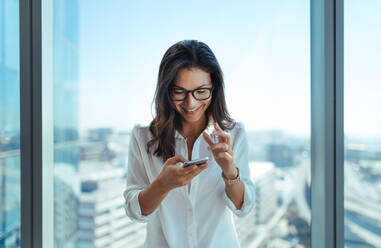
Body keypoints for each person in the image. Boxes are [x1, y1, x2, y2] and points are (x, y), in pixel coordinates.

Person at [123, 40, 255, 248]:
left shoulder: (234, 134)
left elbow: (243, 207)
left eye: (201, 91)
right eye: (179, 91)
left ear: (214, 88)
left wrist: (230, 172)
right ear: (166, 90)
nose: (190, 103)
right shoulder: (143, 136)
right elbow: (134, 211)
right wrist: (162, 185)